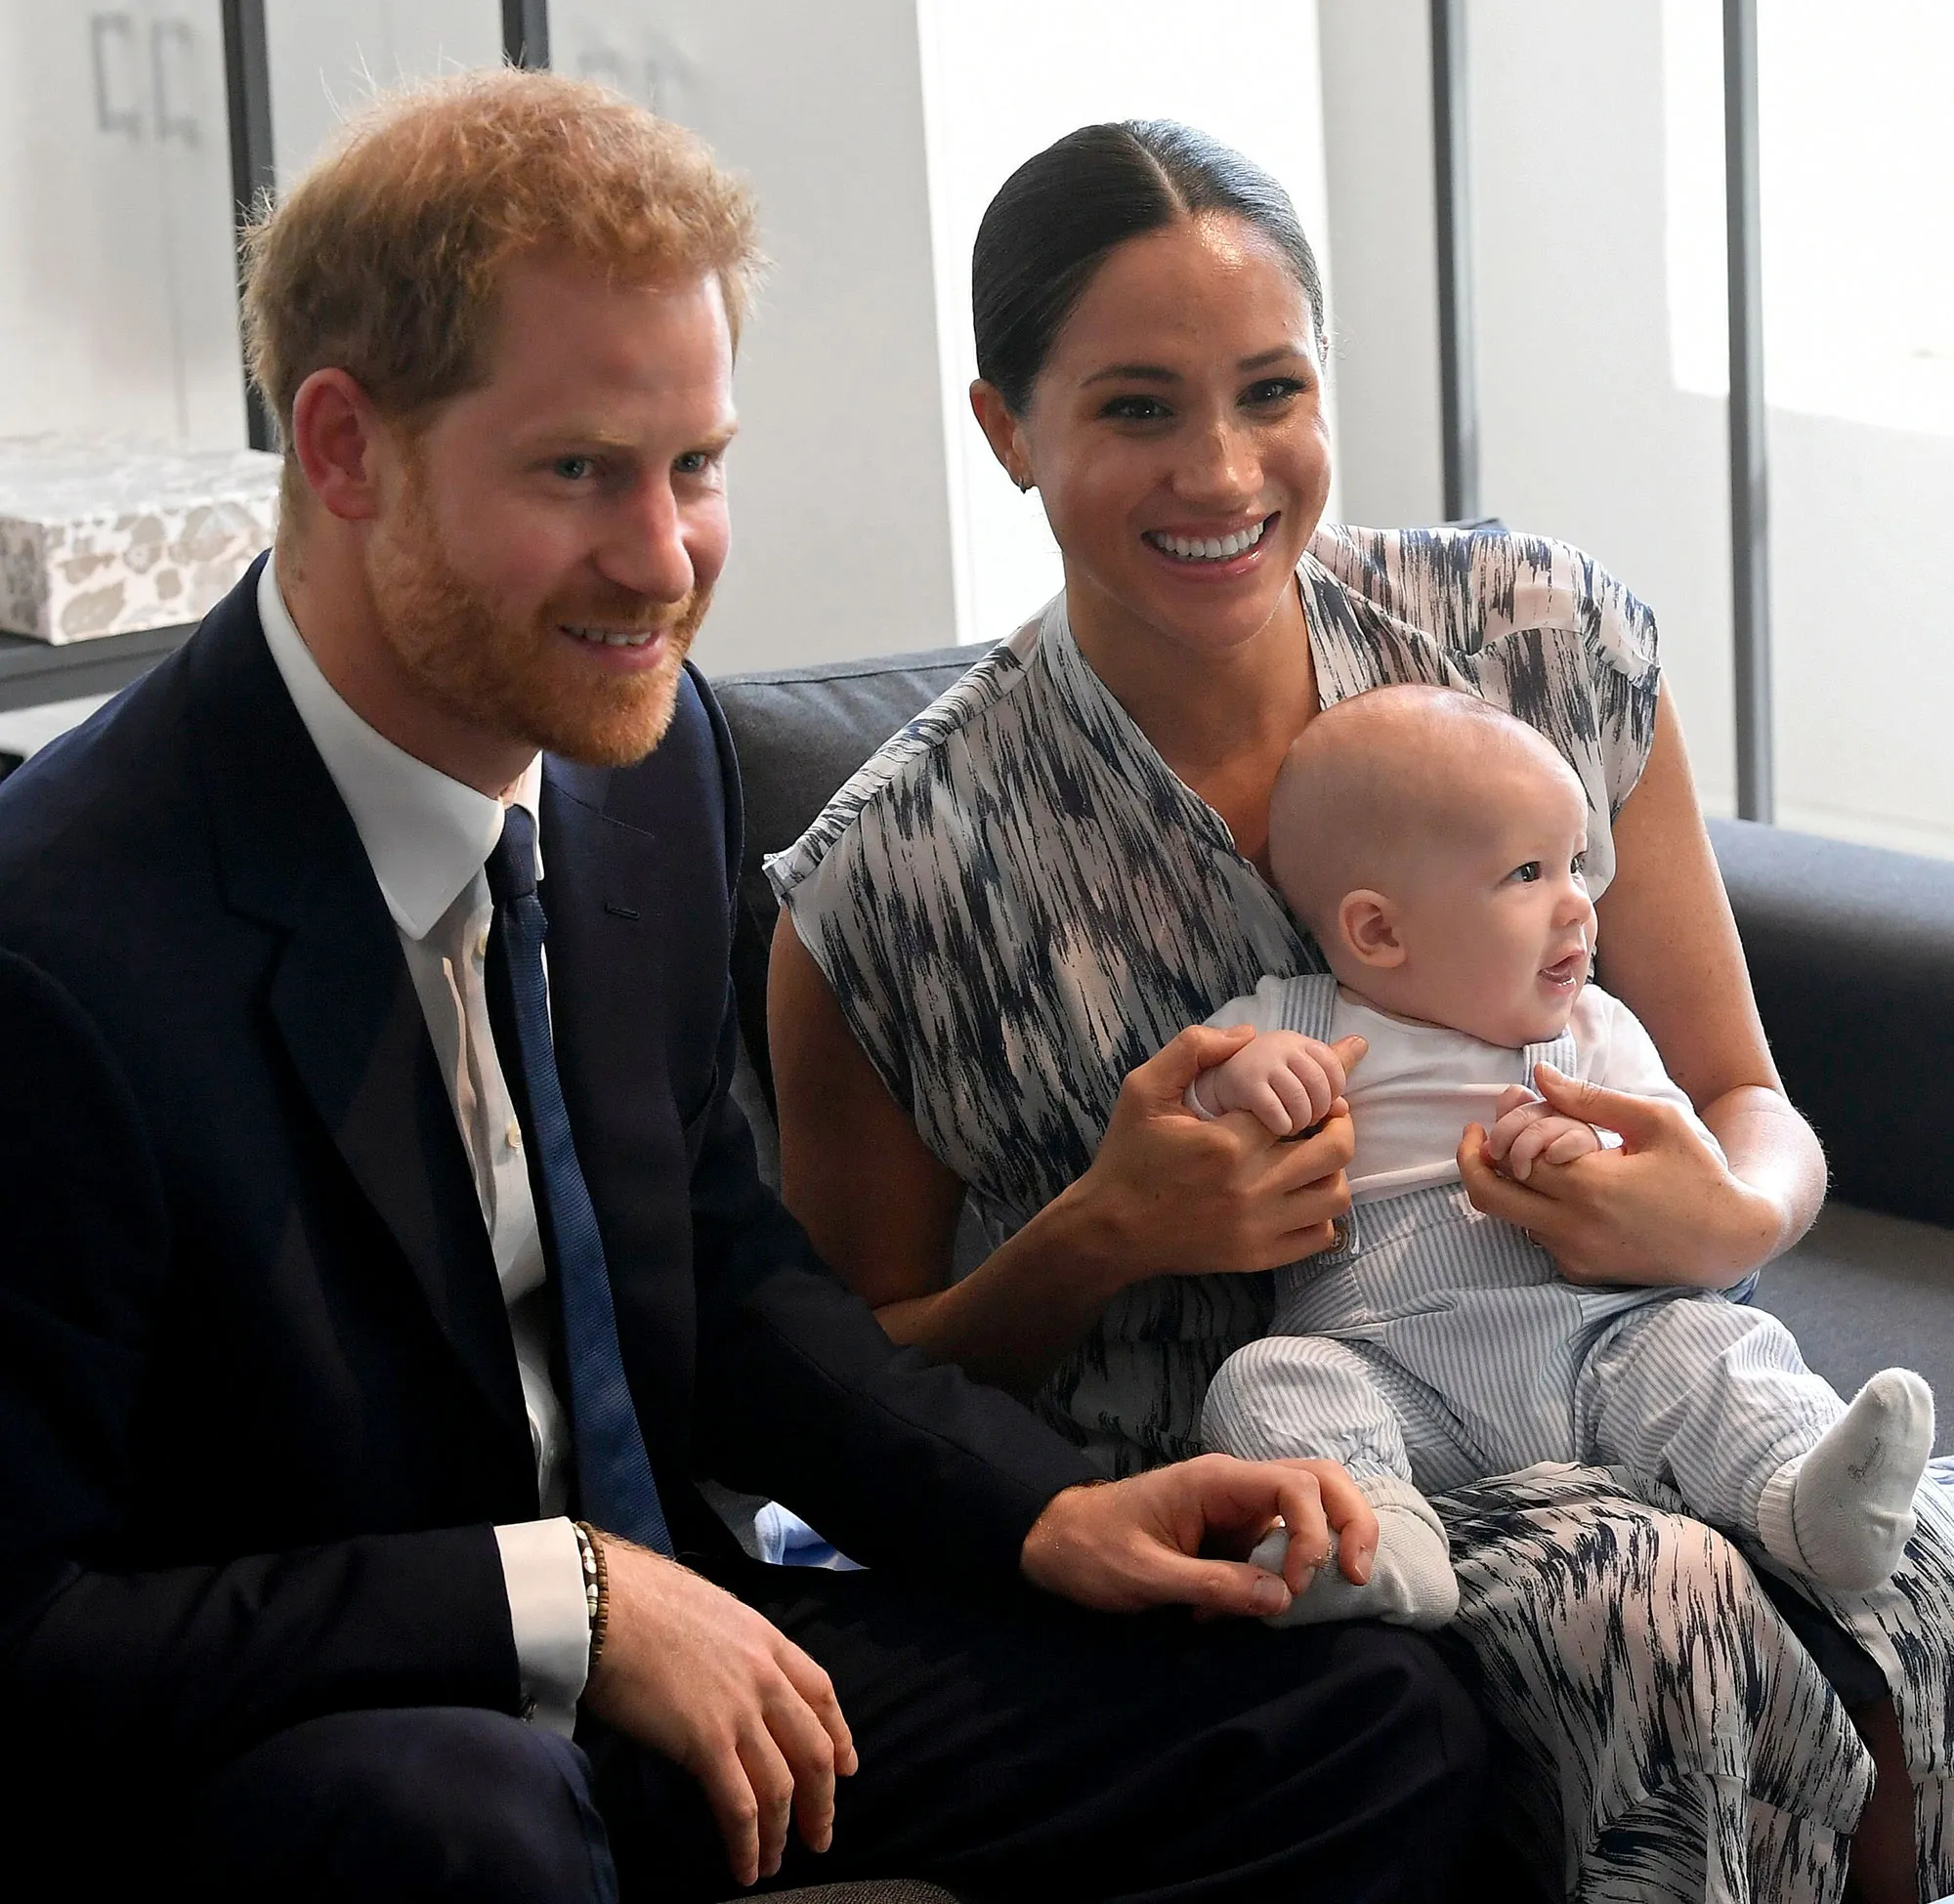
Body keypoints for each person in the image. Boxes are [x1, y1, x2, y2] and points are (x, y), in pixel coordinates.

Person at [0, 74, 1490, 1902]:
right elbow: (29, 1627)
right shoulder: (54, 940)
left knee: (1361, 1714)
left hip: (687, 1646)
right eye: (579, 471)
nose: (666, 558)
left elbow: (719, 1264)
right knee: (470, 1830)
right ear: (344, 448)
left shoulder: (643, 769)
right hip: (351, 1744)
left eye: (694, 464)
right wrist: (571, 1595)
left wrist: (1040, 1510)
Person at [766, 119, 1954, 1902]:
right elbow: (840, 1391)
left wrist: (1732, 1205)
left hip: (1632, 1359)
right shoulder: (893, 883)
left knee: (1909, 1553)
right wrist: (1099, 1234)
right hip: (1286, 1481)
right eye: (1137, 407)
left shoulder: (1536, 643)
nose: (1224, 469)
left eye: (1272, 390)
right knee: (1654, 1590)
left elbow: (1745, 1093)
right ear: (1007, 429)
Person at [1185, 684, 1936, 1631]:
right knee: (1265, 1381)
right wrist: (1240, 1079)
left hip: (1602, 1345)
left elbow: (1683, 1165)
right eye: (1526, 872)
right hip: (1394, 1369)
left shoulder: (1591, 1030)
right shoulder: (1290, 1020)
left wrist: (1594, 1149)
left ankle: (1801, 1497)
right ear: (1377, 929)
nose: (1577, 902)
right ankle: (1377, 1538)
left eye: (1577, 862)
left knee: (1711, 1349)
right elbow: (1178, 1110)